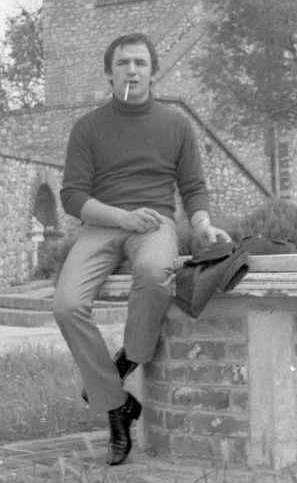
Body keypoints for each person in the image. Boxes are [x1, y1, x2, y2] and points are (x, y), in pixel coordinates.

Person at [53, 32, 230, 466]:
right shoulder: (88, 127)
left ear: (154, 72)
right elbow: (72, 196)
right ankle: (117, 404)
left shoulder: (176, 125)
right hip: (102, 224)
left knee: (154, 274)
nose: (131, 70)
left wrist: (203, 225)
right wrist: (120, 217)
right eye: (122, 63)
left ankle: (125, 363)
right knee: (67, 304)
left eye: (140, 63)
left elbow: (193, 187)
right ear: (109, 73)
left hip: (154, 223)